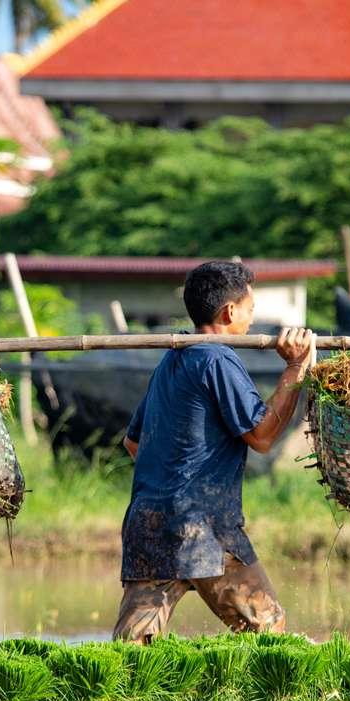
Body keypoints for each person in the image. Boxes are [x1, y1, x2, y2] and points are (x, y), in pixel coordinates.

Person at [113, 261, 314, 643]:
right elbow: (262, 436)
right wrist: (295, 368)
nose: (252, 322)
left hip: (149, 521)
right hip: (202, 525)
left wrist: (173, 481)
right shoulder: (217, 358)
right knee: (267, 630)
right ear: (230, 311)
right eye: (250, 311)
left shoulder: (173, 358)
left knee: (132, 649)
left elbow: (134, 442)